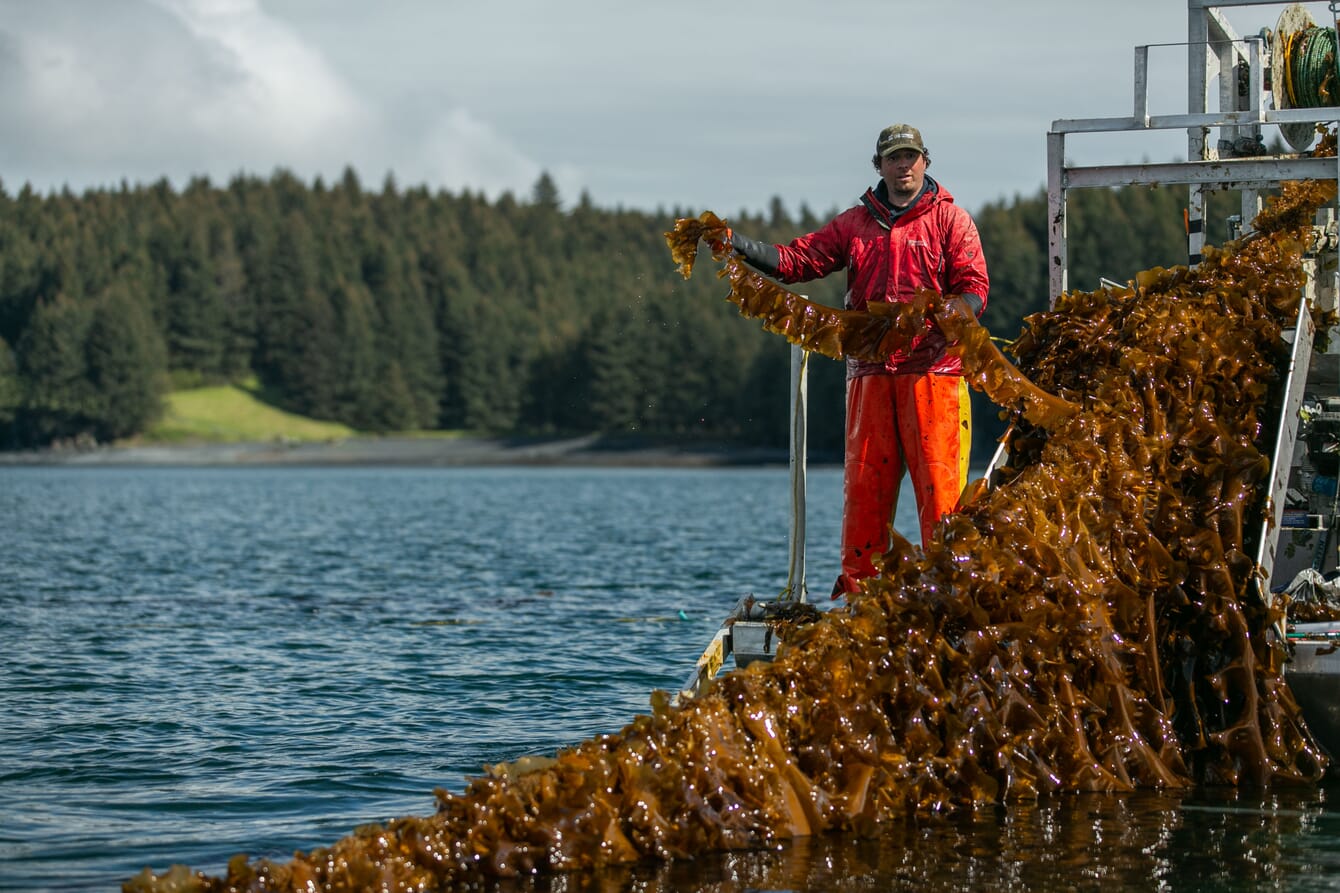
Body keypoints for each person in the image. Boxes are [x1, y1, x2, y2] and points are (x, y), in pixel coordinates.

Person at [726, 123, 989, 598]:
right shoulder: (854, 224)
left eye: (910, 156)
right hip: (868, 375)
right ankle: (858, 598)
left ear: (925, 161)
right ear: (879, 166)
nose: (902, 165)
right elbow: (796, 261)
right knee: (864, 494)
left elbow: (974, 287)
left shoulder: (952, 221)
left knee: (942, 493)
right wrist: (739, 246)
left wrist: (955, 311)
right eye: (893, 158)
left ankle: (949, 594)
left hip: (935, 374)